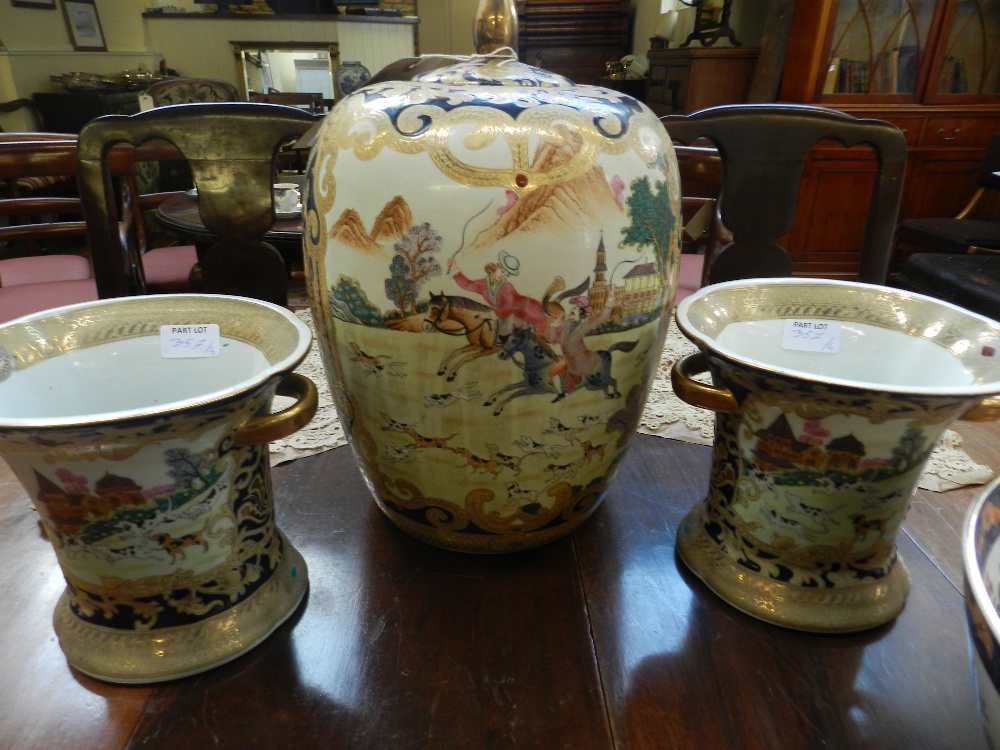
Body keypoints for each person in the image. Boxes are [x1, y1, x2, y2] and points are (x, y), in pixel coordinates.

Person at [448, 251, 549, 343]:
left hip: (525, 310)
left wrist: (490, 314)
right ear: (497, 266)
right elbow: (468, 285)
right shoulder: (484, 283)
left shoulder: (507, 287)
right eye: (503, 271)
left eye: (508, 275)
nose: (504, 276)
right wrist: (453, 267)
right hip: (506, 311)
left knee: (505, 333)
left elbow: (509, 306)